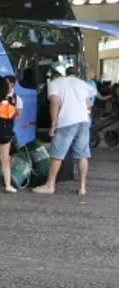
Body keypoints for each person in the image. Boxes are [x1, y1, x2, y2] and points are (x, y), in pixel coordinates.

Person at [33, 66, 97, 196]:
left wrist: (53, 124)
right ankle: (82, 187)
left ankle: (50, 185)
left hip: (67, 121)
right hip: (84, 120)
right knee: (82, 155)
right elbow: (89, 103)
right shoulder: (83, 84)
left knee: (57, 154)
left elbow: (54, 103)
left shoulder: (55, 83)